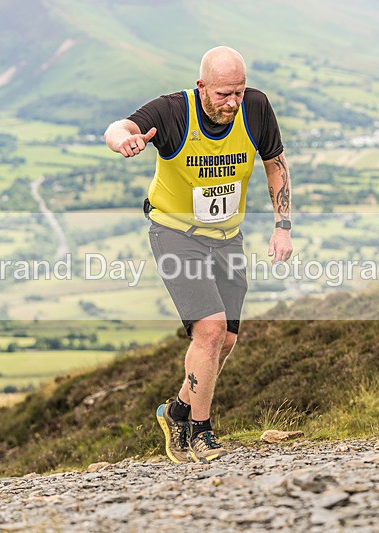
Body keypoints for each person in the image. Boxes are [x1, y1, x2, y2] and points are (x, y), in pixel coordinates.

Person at [104, 46, 292, 463]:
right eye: (224, 93)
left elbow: (275, 162)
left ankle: (176, 411)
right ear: (202, 86)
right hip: (176, 234)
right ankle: (198, 432)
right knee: (209, 329)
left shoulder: (256, 108)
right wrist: (125, 141)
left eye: (239, 92)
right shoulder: (173, 112)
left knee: (225, 340)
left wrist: (282, 227)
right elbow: (118, 127)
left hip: (227, 238)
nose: (233, 102)